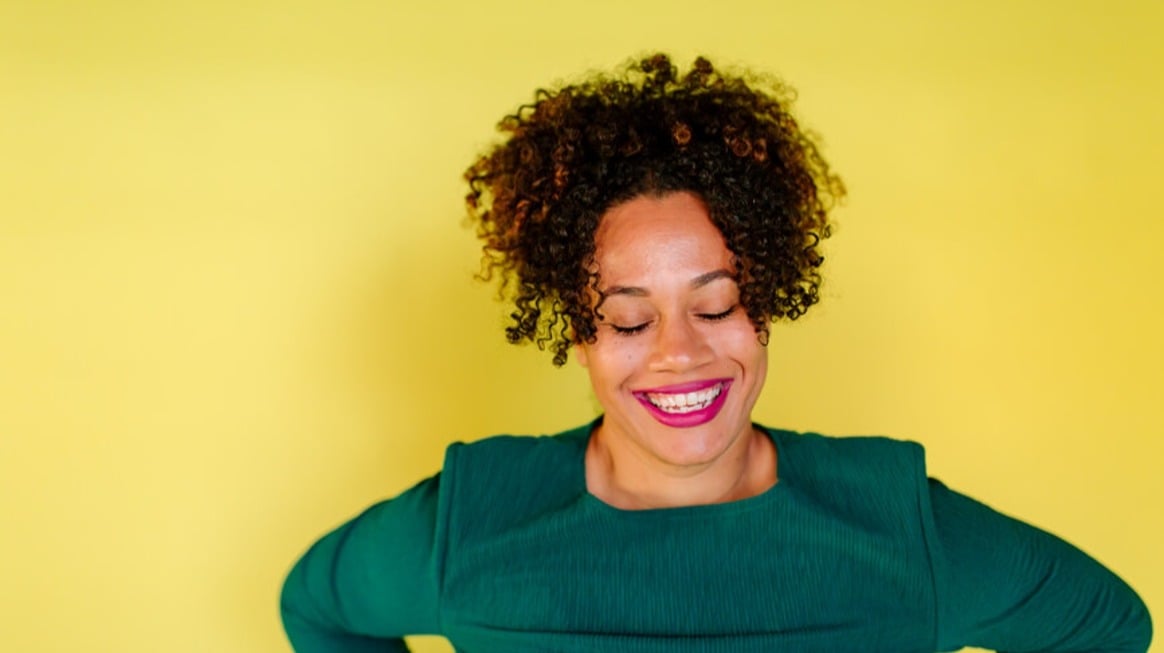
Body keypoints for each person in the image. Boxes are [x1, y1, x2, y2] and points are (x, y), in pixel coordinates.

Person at [279, 53, 1152, 652]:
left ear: (764, 301)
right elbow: (315, 605)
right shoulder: (469, 525)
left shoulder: (900, 532)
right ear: (577, 332)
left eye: (718, 302)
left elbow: (1109, 626)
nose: (680, 353)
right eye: (628, 319)